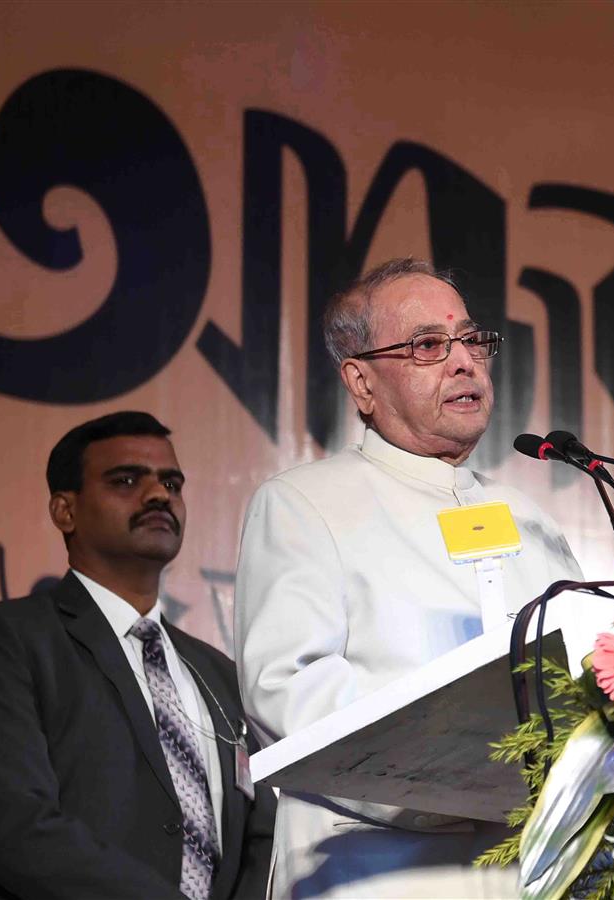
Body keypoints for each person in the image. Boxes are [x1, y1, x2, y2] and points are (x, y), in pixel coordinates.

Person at [235, 258, 583, 898]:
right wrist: (469, 776)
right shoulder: (303, 503)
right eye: (428, 345)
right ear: (361, 383)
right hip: (375, 874)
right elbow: (288, 692)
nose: (463, 362)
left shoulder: (532, 521)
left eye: (472, 341)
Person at [0, 412, 275, 899]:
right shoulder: (5, 639)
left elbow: (261, 834)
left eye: (172, 483)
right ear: (64, 511)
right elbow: (13, 826)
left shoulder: (220, 676)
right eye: (126, 480)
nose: (159, 495)